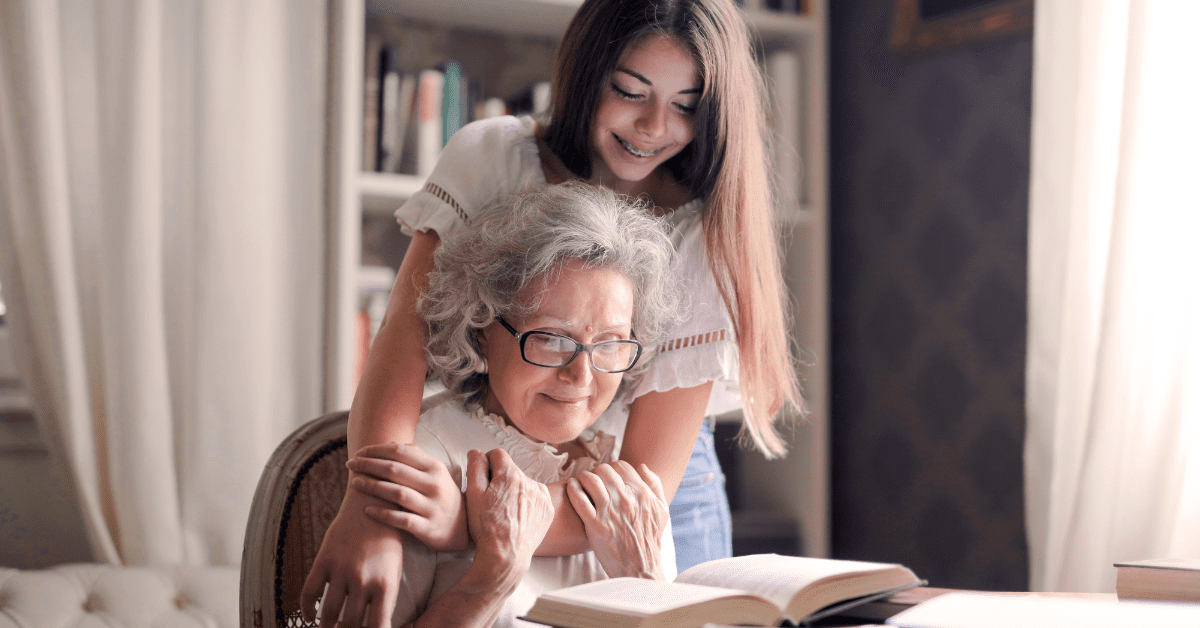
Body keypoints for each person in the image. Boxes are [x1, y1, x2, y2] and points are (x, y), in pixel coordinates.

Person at [303, 0, 802, 624]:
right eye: (629, 90)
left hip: (641, 487)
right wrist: (373, 507)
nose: (653, 126)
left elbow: (640, 484)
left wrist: (466, 521)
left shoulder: (701, 230)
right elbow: (404, 335)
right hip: (493, 451)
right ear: (587, 72)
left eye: (685, 106)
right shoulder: (492, 157)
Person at [320, 183, 677, 627]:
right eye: (550, 338)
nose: (581, 376)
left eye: (609, 344)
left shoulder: (628, 486)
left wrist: (644, 581)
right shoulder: (425, 462)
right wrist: (491, 580)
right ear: (481, 328)